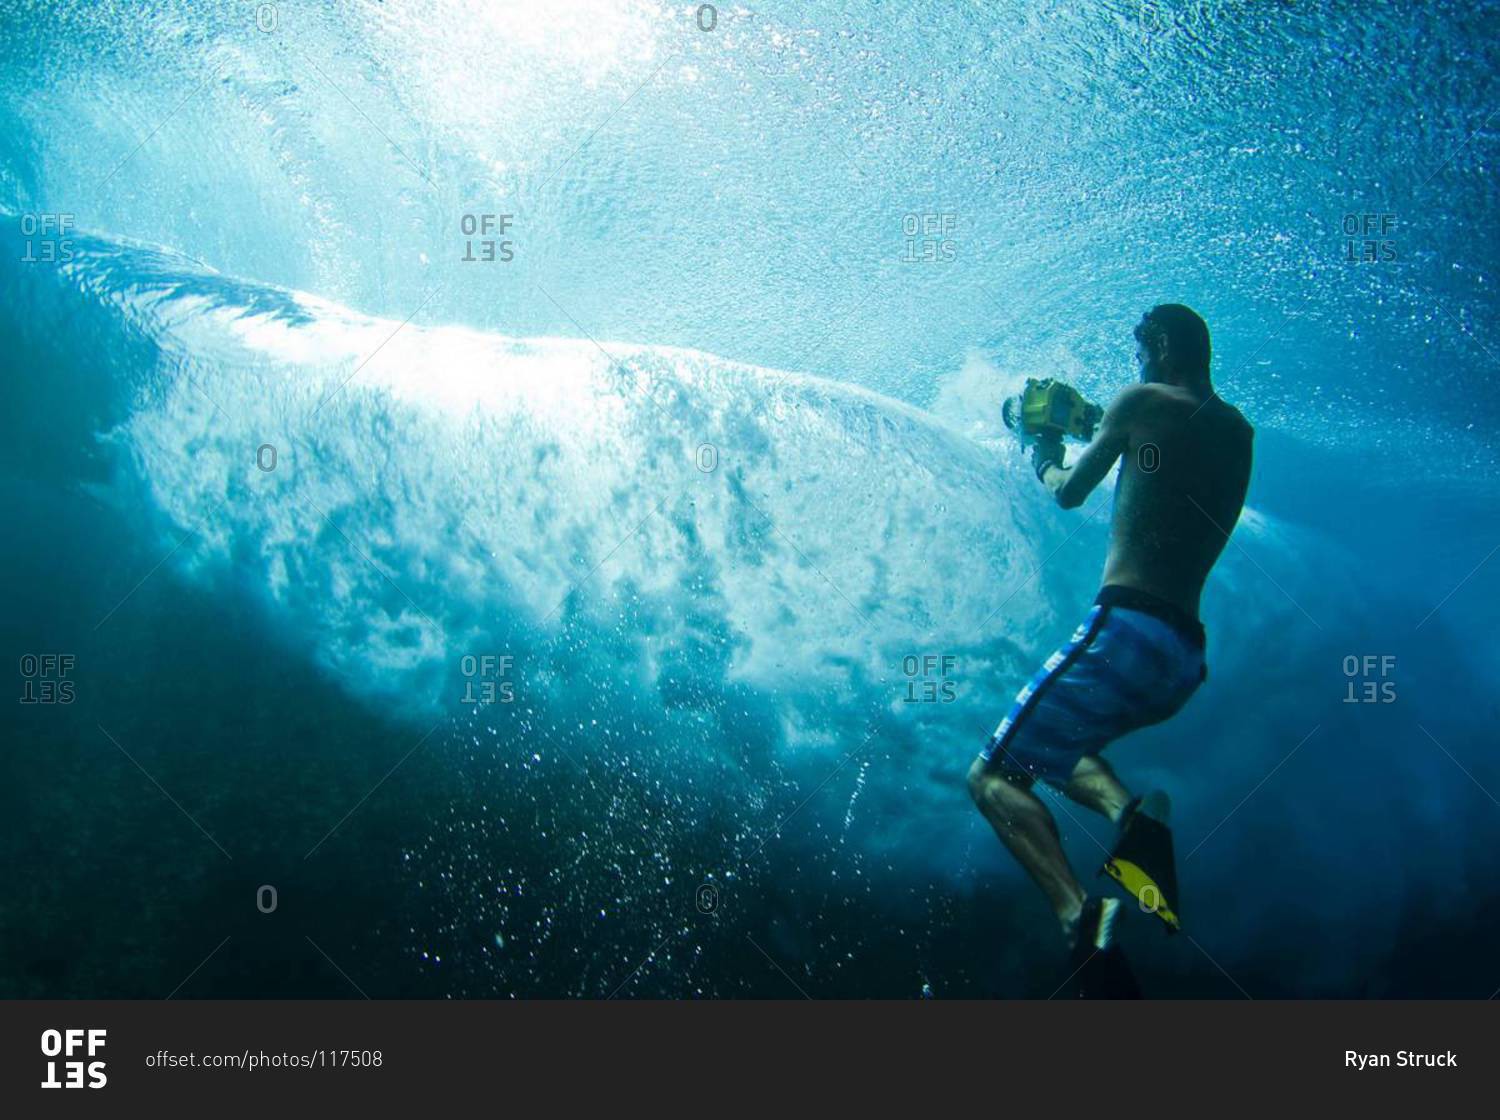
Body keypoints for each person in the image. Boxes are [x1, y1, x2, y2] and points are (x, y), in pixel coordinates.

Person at [967, 304, 1253, 994]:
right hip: (1182, 656)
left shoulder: (1140, 402)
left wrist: (1043, 455)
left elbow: (1069, 494)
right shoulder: (1236, 430)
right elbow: (1166, 459)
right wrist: (1106, 422)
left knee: (993, 778)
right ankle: (1133, 819)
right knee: (1059, 748)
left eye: (1139, 354)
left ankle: (1079, 915)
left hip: (1127, 628)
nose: (1136, 367)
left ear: (1159, 347)